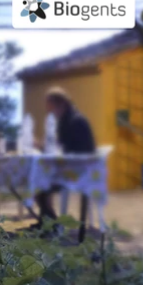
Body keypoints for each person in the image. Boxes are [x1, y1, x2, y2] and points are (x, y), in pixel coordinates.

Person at [33, 87, 96, 228]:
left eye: (49, 106)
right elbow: (61, 147)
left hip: (77, 171)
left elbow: (62, 149)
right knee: (38, 180)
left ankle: (51, 224)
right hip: (79, 167)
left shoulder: (72, 121)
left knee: (38, 182)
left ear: (59, 104)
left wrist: (42, 146)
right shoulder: (70, 118)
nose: (48, 110)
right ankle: (48, 222)